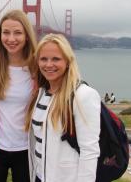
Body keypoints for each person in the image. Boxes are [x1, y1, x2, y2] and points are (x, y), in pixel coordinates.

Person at [26, 33, 101, 182]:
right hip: (39, 176)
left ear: (68, 61)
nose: (48, 65)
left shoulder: (83, 95)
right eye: (43, 59)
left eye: (56, 59)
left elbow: (89, 151)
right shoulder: (41, 93)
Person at [0, 10, 37, 182]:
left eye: (18, 32)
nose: (11, 39)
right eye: (6, 32)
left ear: (27, 35)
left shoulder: (38, 69)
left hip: (28, 149)